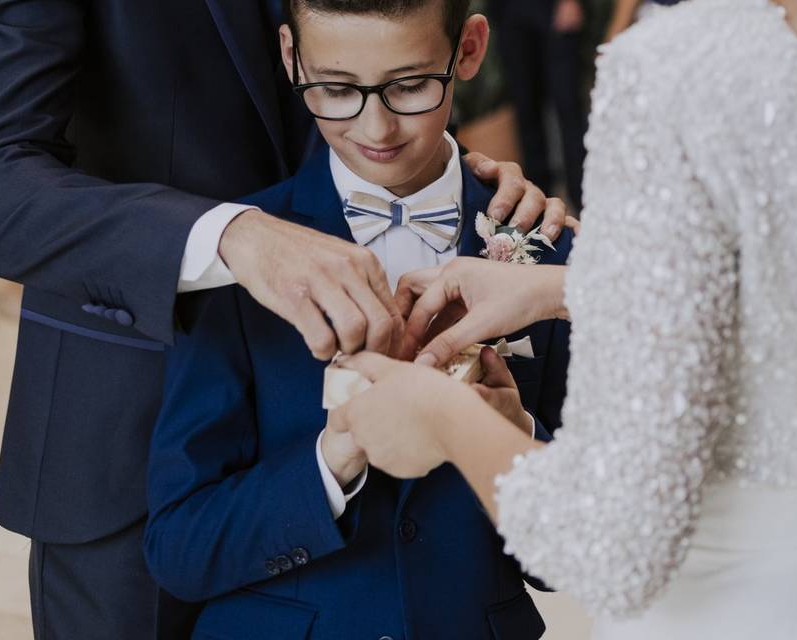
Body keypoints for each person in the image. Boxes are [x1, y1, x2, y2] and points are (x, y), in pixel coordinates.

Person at [0, 0, 565, 638]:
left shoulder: (530, 251)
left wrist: (464, 185)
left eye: (408, 86)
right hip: (128, 428)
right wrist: (229, 235)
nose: (376, 125)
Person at [331, 0, 797, 638]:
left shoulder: (678, 71)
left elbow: (615, 549)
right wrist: (568, 288)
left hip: (729, 607)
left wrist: (444, 417)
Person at [142, 2, 575, 638]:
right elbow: (179, 549)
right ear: (292, 58)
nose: (377, 125)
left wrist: (516, 437)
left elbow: (586, 554)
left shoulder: (548, 256)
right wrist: (330, 462)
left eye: (410, 85)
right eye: (338, 89)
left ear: (470, 48)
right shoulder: (237, 256)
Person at [489, 0, 588, 207]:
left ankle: (583, 198)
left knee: (568, 107)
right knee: (525, 111)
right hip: (508, 12)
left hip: (553, 8)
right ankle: (539, 202)